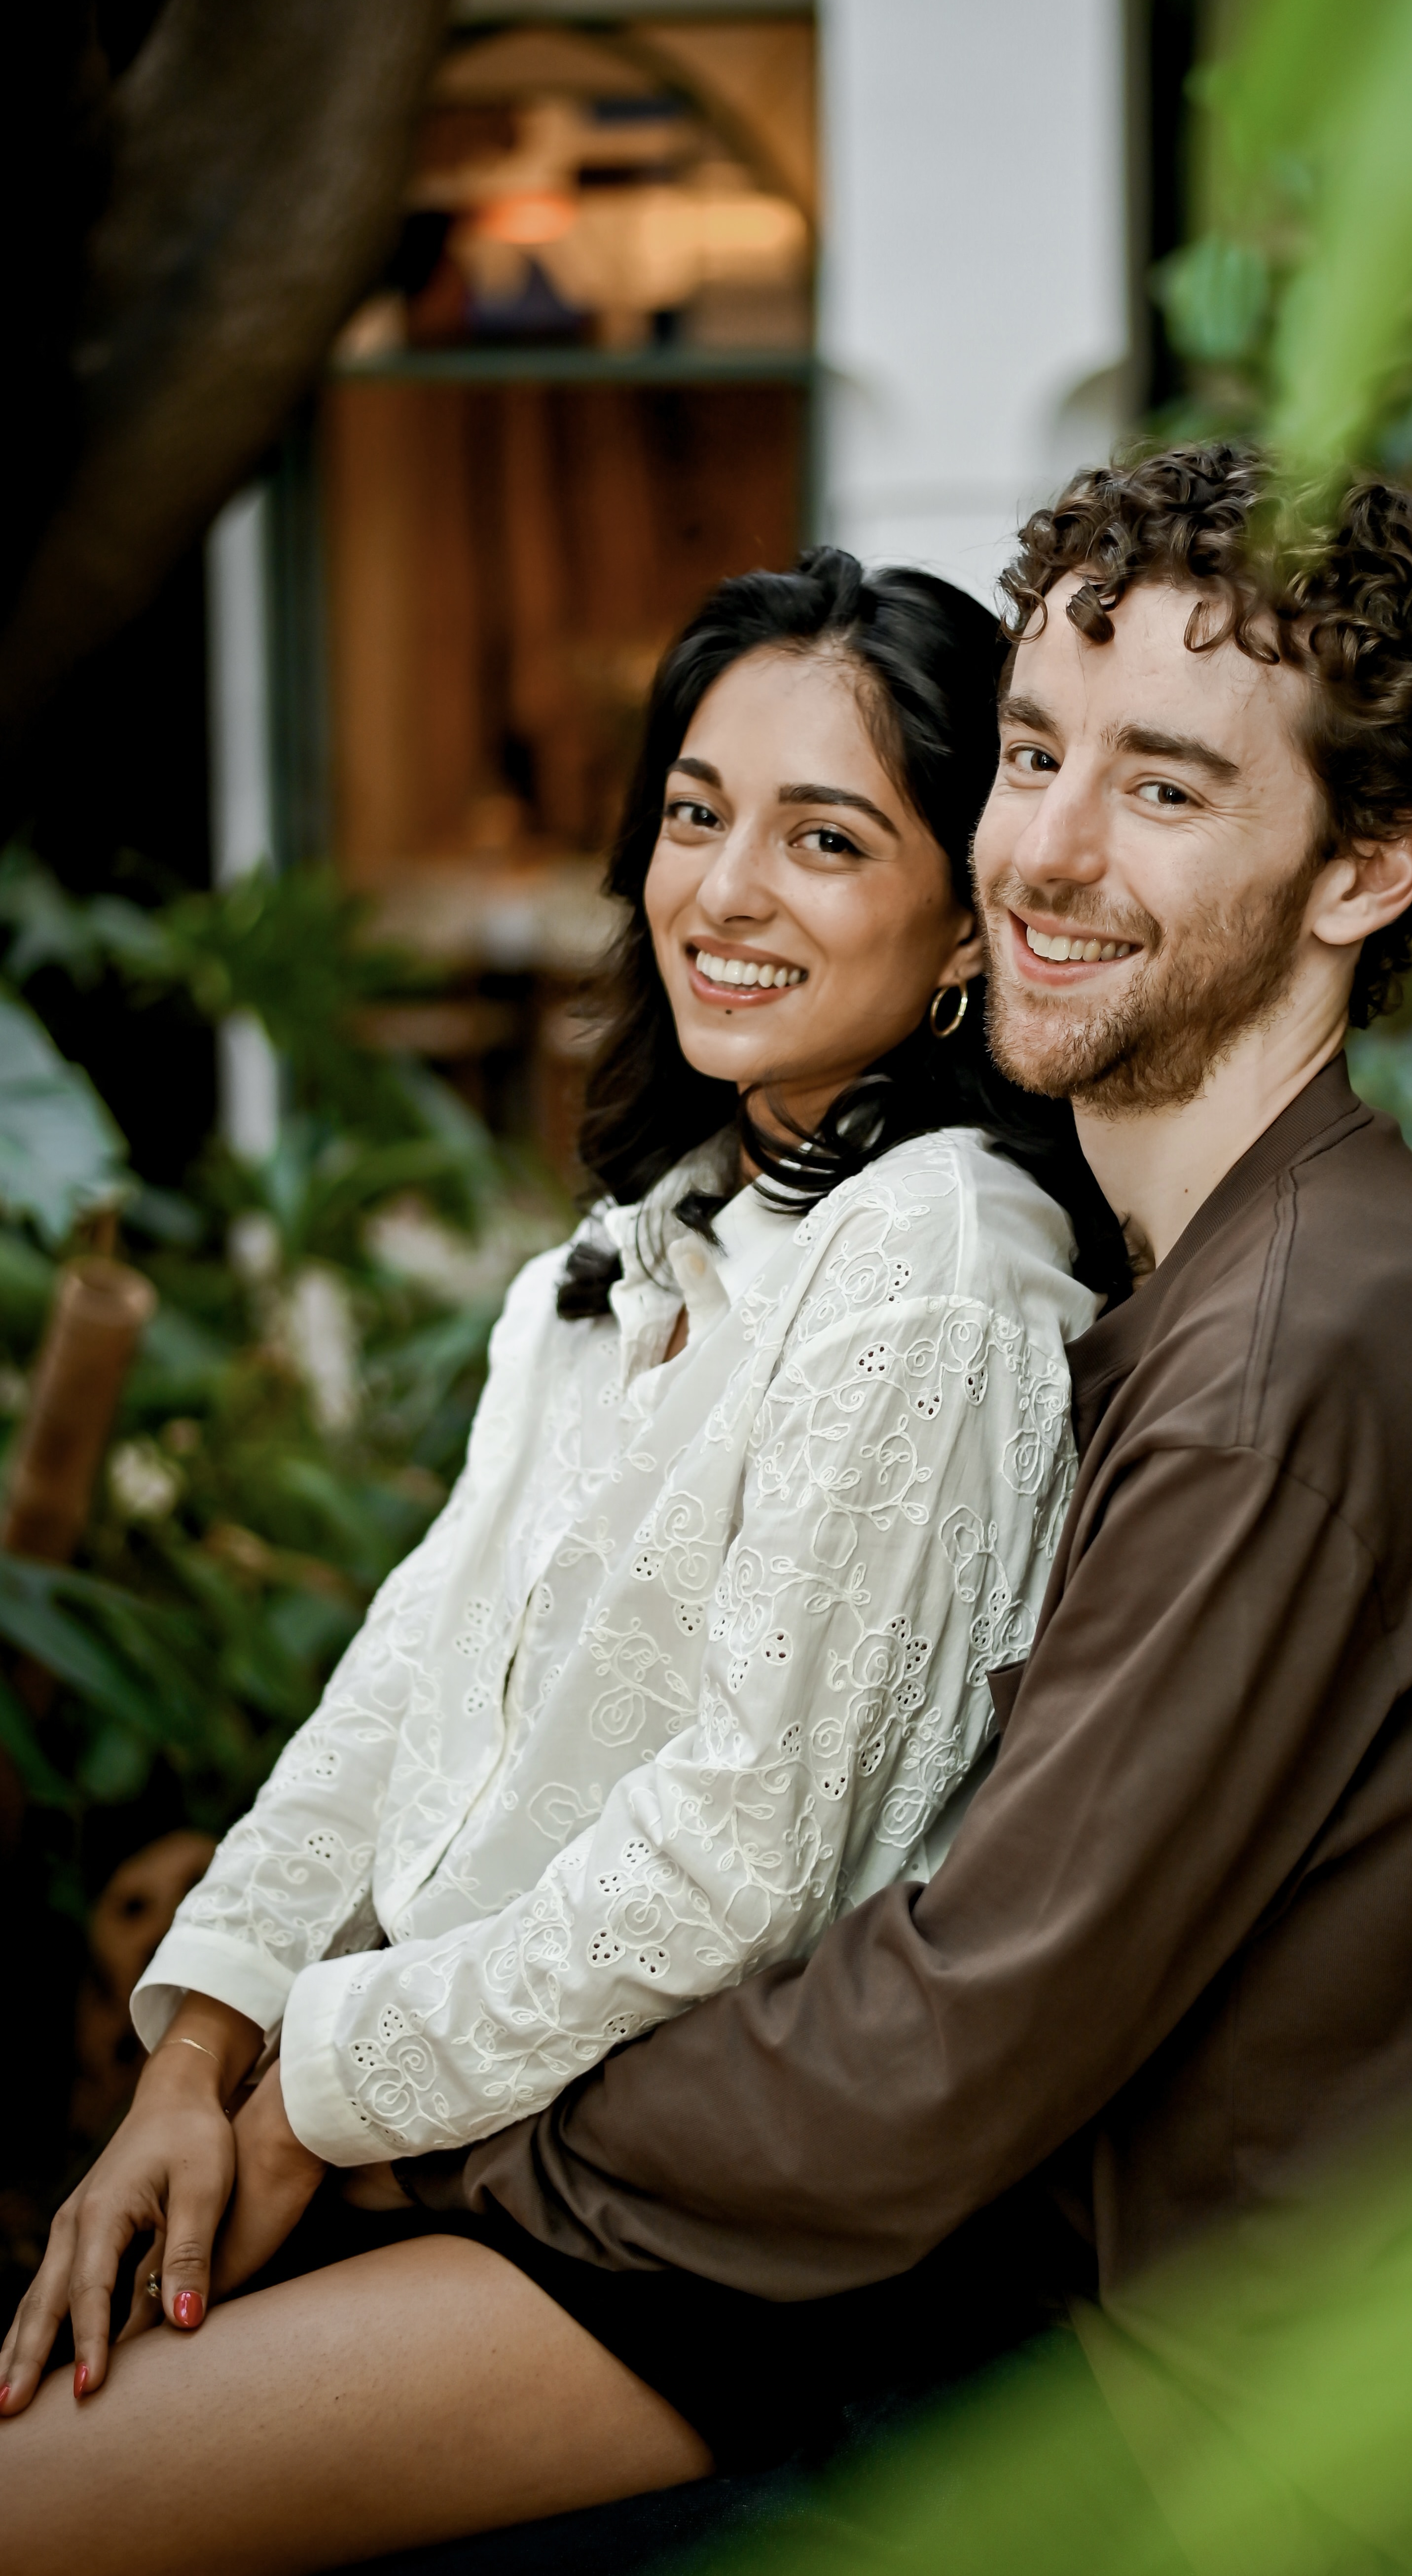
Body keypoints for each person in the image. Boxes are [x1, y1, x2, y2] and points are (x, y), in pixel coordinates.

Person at [0, 448, 1412, 2576]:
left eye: (1165, 787)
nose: (1050, 846)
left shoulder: (1272, 1357)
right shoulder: (1210, 1282)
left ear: (1363, 870)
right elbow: (442, 1673)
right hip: (989, 2297)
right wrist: (237, 2048)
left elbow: (924, 2041)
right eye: (1036, 755)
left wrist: (387, 2132)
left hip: (1181, 2432)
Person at [0, 549, 1116, 2561]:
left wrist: (311, 2089)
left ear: (966, 923)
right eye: (695, 813)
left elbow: (742, 1855)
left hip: (680, 2220)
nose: (724, 891)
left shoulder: (937, 1255)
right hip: (461, 2137)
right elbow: (401, 1674)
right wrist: (204, 2045)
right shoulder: (641, 1245)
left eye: (825, 838)